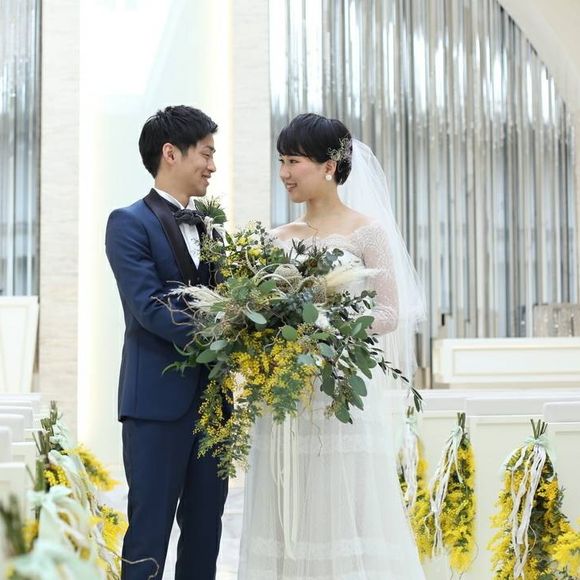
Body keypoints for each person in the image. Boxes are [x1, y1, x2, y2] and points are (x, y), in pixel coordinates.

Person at [238, 113, 426, 579]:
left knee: (343, 502)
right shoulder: (275, 238)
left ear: (328, 166)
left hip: (339, 391)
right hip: (283, 394)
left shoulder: (367, 232)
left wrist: (328, 326)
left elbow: (389, 312)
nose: (284, 172)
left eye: (294, 161)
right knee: (286, 499)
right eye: (281, 161)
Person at [105, 105, 228, 580]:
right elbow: (150, 307)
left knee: (205, 532)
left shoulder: (212, 227)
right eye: (207, 153)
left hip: (214, 405)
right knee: (149, 533)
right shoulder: (128, 222)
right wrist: (226, 333)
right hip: (155, 405)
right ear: (171, 153)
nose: (212, 165)